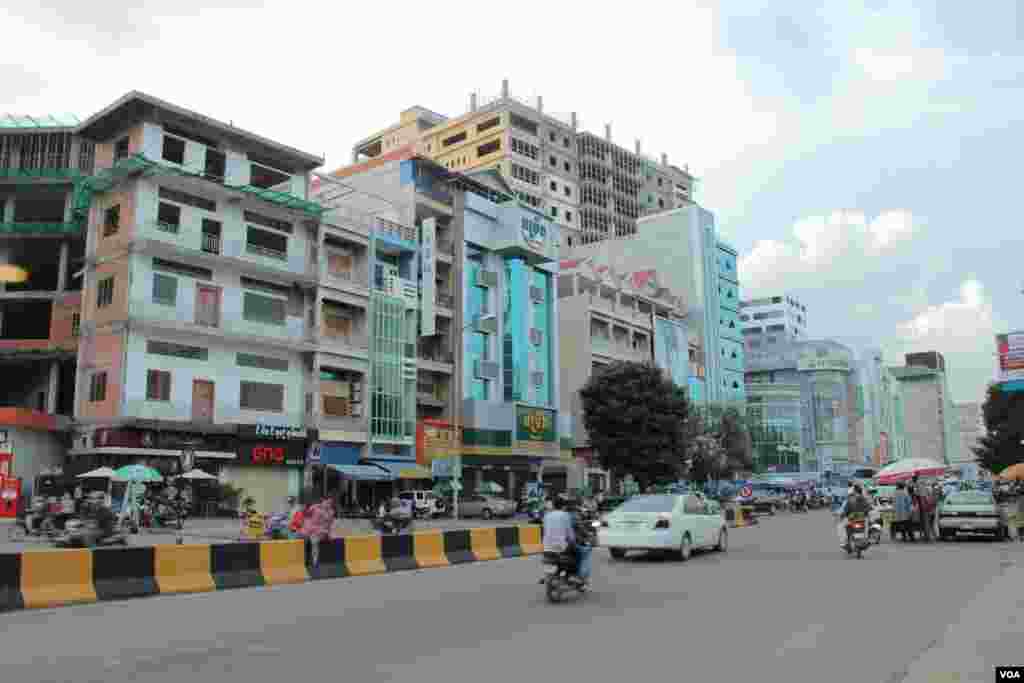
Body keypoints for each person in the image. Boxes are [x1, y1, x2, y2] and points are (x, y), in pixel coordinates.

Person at [542, 497, 590, 589]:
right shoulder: (565, 515)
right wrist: (573, 541)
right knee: (580, 554)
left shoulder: (546, 515)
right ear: (563, 506)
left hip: (546, 547)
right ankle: (574, 576)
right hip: (561, 546)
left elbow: (546, 530)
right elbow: (570, 534)